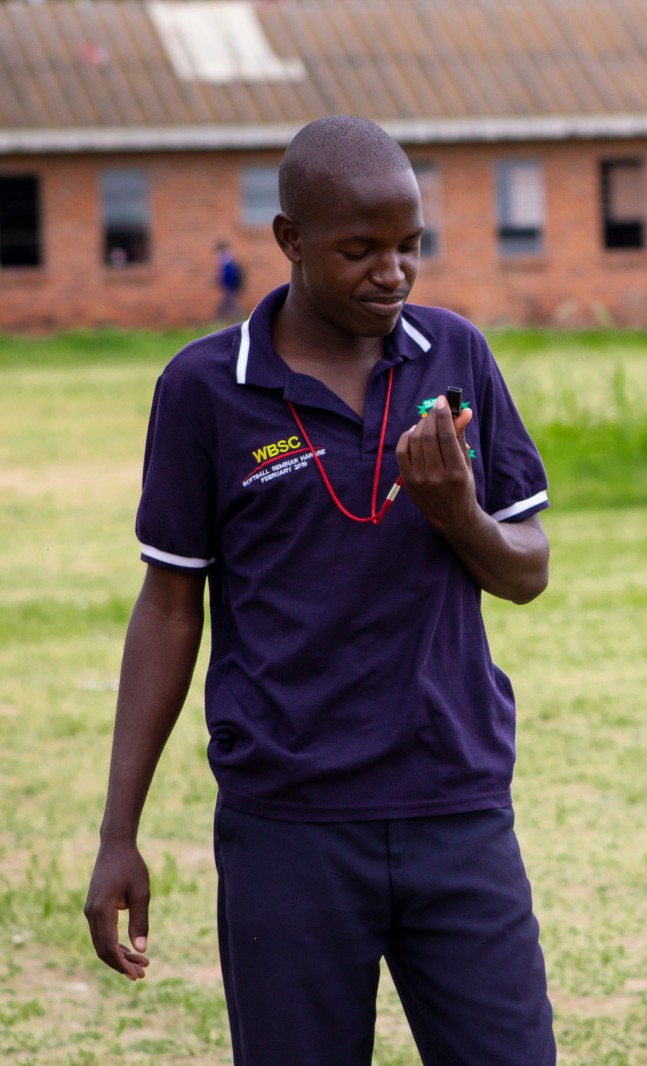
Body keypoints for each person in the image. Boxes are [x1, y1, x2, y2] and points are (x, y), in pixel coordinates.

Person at [85, 115, 556, 1066]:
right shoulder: (205, 389)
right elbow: (171, 606)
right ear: (290, 241)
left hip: (455, 808)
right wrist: (117, 833)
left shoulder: (452, 357)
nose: (392, 273)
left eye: (407, 246)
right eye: (360, 249)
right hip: (286, 828)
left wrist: (458, 513)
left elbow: (527, 571)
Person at [214, 239, 244, 323]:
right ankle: (221, 319)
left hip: (229, 286)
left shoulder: (226, 260)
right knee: (228, 303)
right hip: (230, 286)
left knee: (230, 303)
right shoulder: (228, 259)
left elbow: (227, 275)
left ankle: (220, 319)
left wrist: (225, 284)